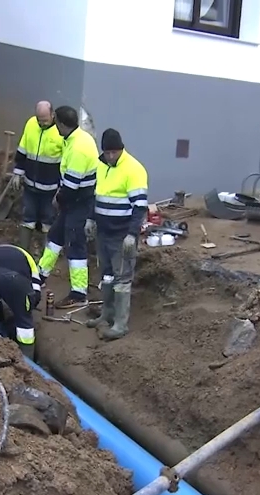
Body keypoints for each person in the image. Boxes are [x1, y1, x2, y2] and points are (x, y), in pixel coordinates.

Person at [84, 129, 148, 341]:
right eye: (108, 153)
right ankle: (107, 314)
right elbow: (97, 195)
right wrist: (91, 219)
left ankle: (120, 324)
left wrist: (132, 234)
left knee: (122, 279)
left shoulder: (134, 169)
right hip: (104, 232)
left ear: (121, 149)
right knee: (107, 275)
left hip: (122, 235)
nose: (111, 156)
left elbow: (139, 207)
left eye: (115, 152)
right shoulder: (101, 165)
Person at [37, 105, 100, 309]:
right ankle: (40, 275)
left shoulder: (78, 148)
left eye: (56, 123)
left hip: (78, 202)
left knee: (75, 246)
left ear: (62, 125)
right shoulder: (77, 139)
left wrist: (58, 200)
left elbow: (72, 185)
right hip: (75, 201)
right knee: (55, 236)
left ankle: (79, 292)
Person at [11, 101, 65, 251]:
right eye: (39, 120)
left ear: (52, 115)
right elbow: (23, 149)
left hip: (50, 188)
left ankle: (45, 255)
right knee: (27, 218)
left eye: (45, 120)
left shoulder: (60, 132)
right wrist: (18, 172)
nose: (41, 124)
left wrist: (61, 187)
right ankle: (24, 252)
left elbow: (65, 163)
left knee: (48, 221)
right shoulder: (31, 124)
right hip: (30, 184)